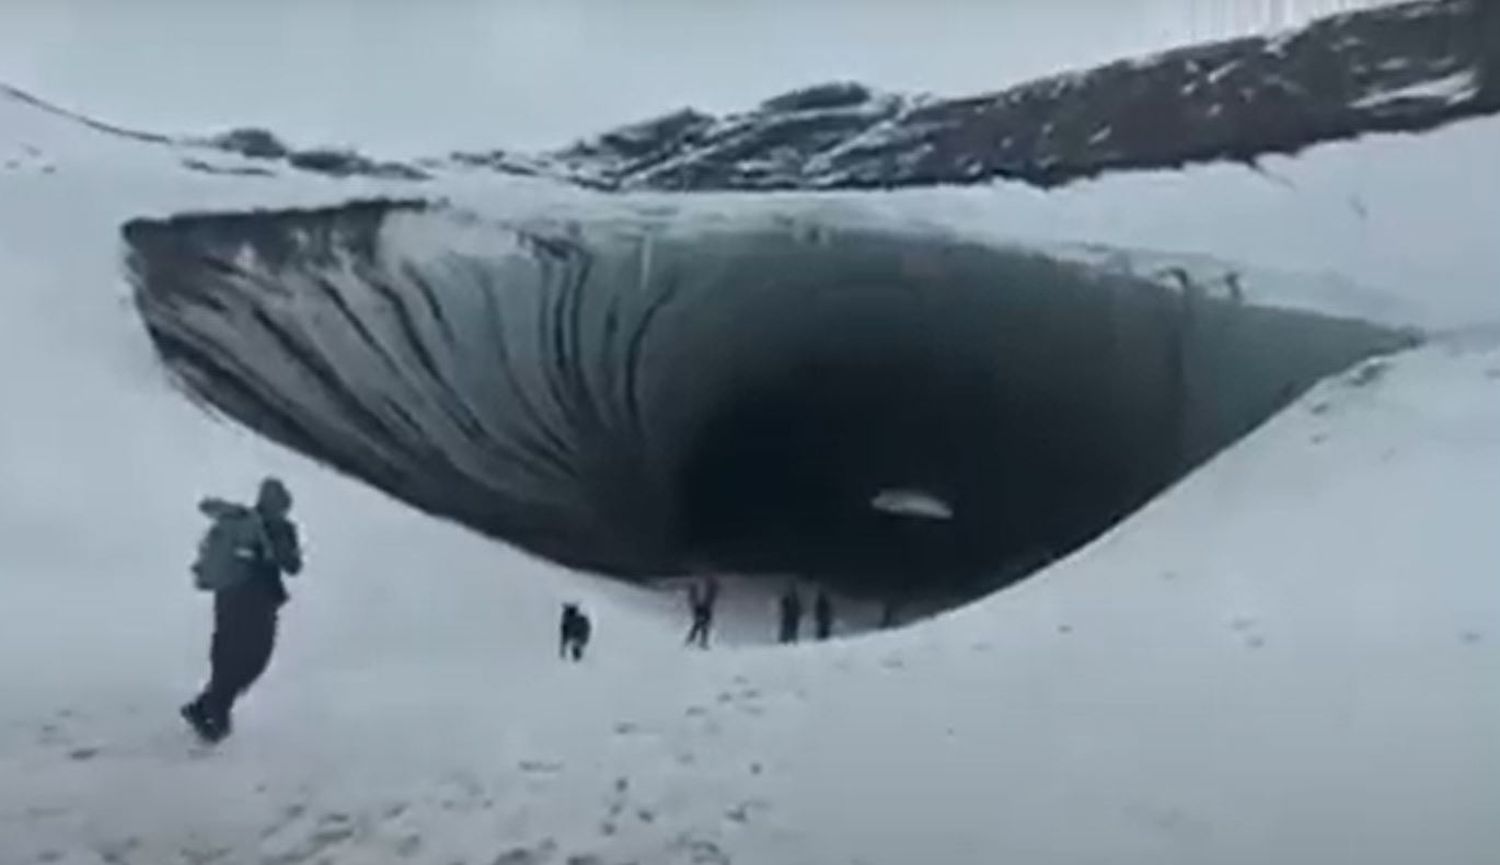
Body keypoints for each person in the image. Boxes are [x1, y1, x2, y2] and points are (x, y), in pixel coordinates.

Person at [181, 477, 302, 744]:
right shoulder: (250, 525)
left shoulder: (246, 524)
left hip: (232, 597)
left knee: (232, 656)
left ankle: (208, 709)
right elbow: (292, 565)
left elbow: (292, 565)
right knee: (249, 658)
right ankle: (212, 713)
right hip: (250, 599)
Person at [684, 575, 720, 649]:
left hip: (703, 608)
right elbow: (694, 600)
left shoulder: (708, 594)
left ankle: (697, 642)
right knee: (700, 624)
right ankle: (694, 641)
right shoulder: (702, 595)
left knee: (702, 624)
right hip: (701, 608)